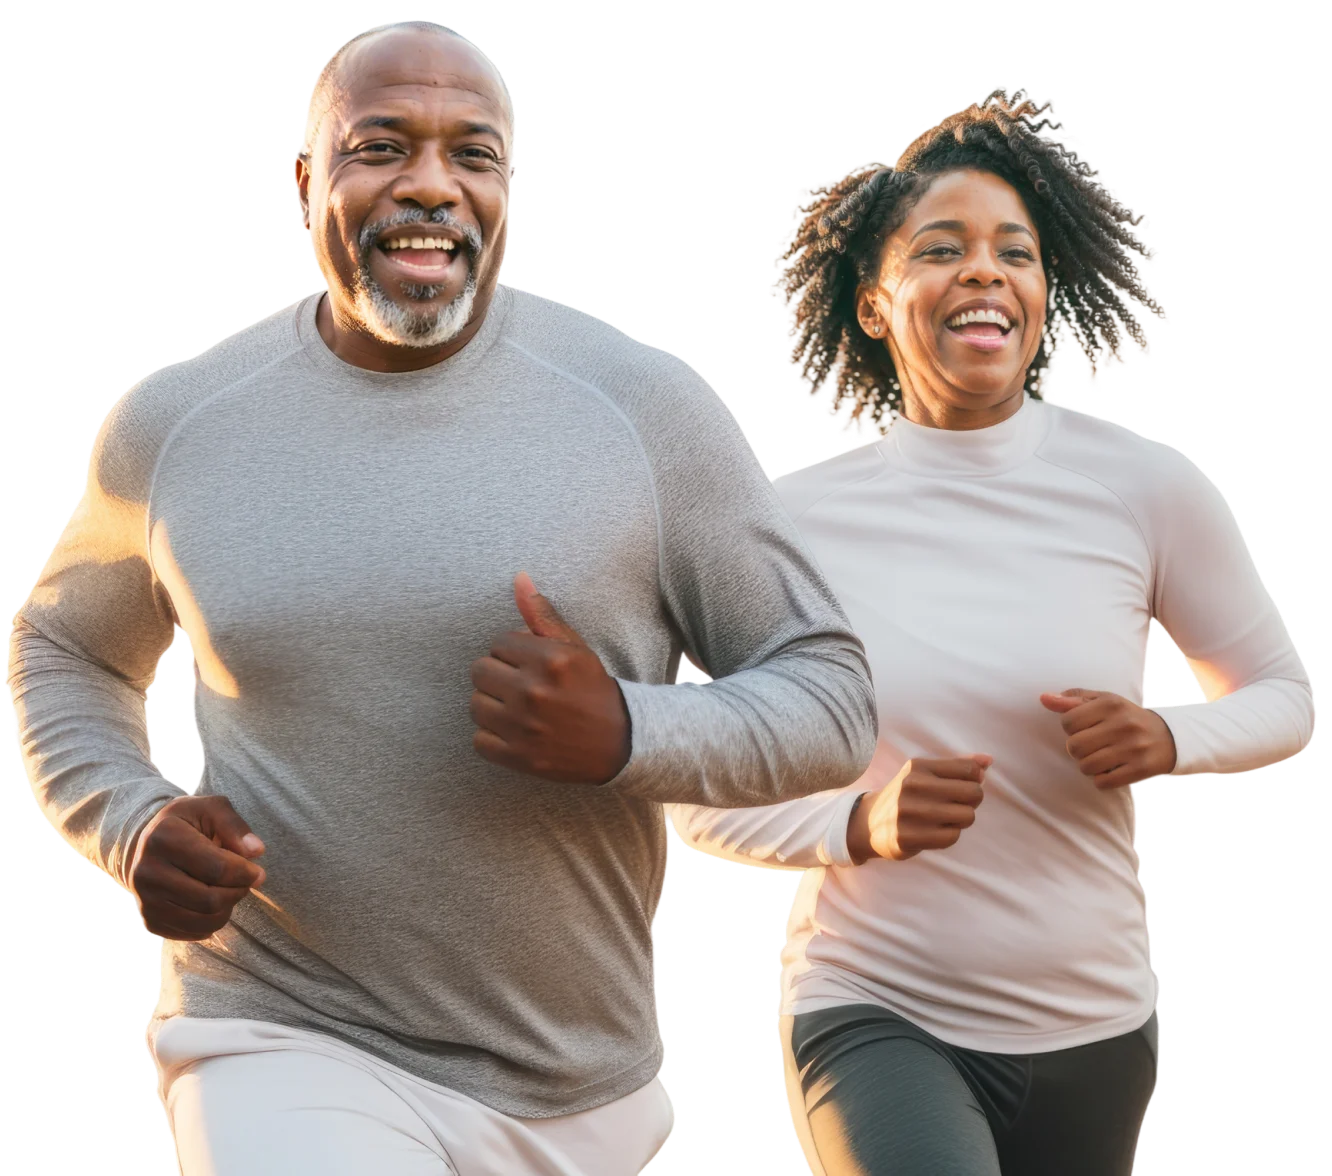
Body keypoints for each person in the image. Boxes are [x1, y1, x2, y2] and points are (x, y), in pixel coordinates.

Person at [5, 21, 880, 1176]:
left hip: (577, 1083)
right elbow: (68, 645)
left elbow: (831, 697)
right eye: (380, 146)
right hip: (278, 1025)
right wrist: (131, 818)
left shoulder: (647, 411)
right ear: (307, 179)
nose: (430, 184)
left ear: (507, 186)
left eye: (472, 153)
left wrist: (631, 729)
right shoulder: (178, 426)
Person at [666, 87, 1316, 1176]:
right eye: (940, 249)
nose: (984, 270)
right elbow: (692, 787)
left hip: (1097, 1025)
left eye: (1014, 251)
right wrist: (859, 823)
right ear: (874, 302)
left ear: (1041, 293)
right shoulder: (789, 523)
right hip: (876, 1010)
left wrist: (1171, 739)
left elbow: (1284, 698)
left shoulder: (1144, 485)